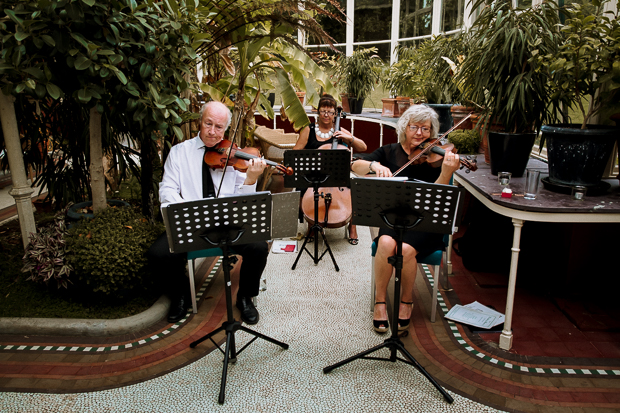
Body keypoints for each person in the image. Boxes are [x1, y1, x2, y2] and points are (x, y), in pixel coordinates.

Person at [148, 101, 268, 325]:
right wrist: (186, 211)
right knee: (159, 254)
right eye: (208, 124)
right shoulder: (179, 153)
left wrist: (251, 179)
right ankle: (180, 295)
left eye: (219, 127)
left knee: (259, 246)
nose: (213, 132)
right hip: (192, 223)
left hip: (229, 224)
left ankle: (245, 297)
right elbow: (167, 190)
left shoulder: (234, 156)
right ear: (199, 122)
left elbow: (242, 201)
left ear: (226, 129)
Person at [351, 104, 460, 334]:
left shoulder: (436, 158)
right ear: (404, 128)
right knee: (386, 242)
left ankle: (406, 301)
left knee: (407, 249)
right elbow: (356, 165)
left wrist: (446, 173)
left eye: (425, 128)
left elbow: (437, 198)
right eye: (414, 127)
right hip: (393, 219)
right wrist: (374, 165)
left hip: (425, 222)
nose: (420, 134)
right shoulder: (389, 152)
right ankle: (380, 301)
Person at [292, 94, 367, 244]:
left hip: (337, 175)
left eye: (330, 112)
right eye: (323, 111)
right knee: (301, 187)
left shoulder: (340, 130)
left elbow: (363, 147)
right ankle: (312, 224)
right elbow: (295, 152)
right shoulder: (308, 129)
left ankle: (352, 227)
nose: (326, 115)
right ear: (318, 112)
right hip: (314, 174)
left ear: (334, 114)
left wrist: (349, 138)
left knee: (355, 188)